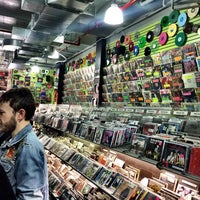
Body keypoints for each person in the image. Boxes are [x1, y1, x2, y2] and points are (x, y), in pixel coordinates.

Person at [0, 87, 49, 200]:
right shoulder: (9, 136)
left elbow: (30, 197)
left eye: (2, 113)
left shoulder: (29, 147)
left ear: (20, 114)